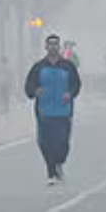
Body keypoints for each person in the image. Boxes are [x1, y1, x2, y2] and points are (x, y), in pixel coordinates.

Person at [25, 35, 82, 185]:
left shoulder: (68, 66)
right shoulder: (38, 67)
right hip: (44, 111)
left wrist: (70, 93)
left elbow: (76, 85)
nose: (53, 47)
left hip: (64, 111)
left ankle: (59, 163)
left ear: (59, 47)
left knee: (62, 142)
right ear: (46, 47)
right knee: (45, 142)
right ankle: (51, 172)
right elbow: (29, 86)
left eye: (55, 44)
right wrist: (35, 91)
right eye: (50, 44)